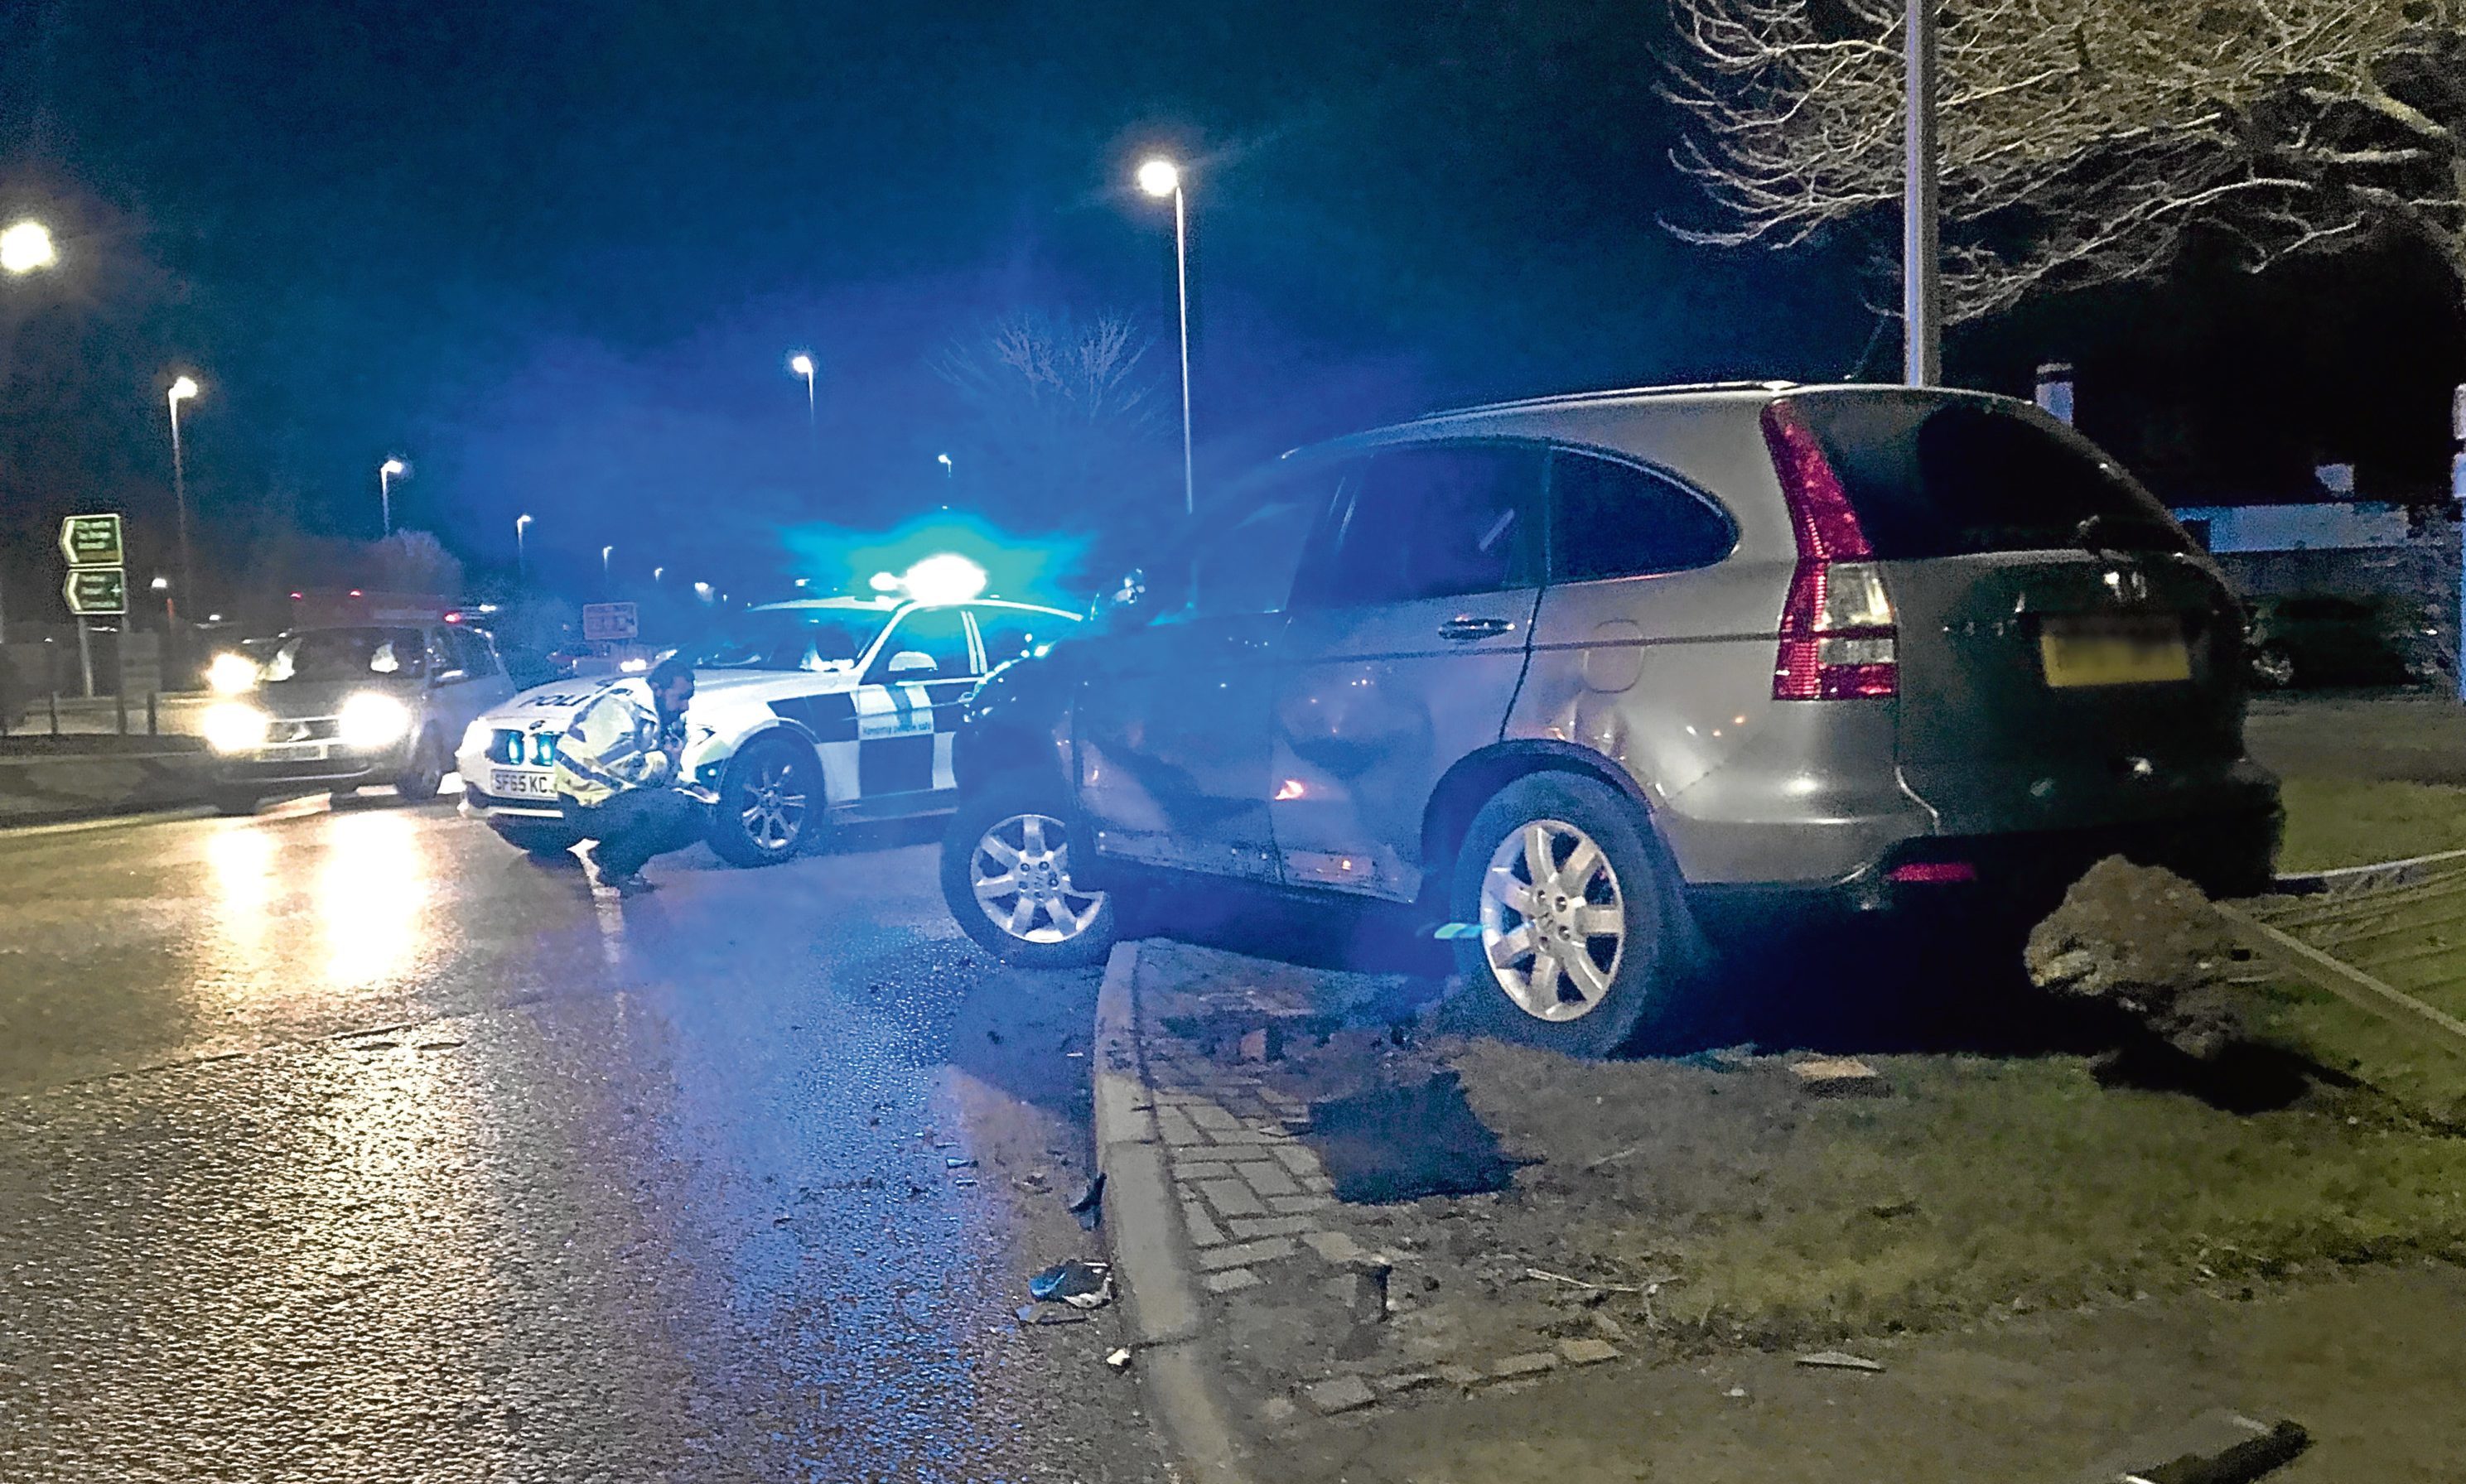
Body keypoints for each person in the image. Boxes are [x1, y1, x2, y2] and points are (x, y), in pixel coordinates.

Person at [550, 655, 705, 894]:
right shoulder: (618, 706)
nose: (685, 706)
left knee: (700, 816)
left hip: (614, 797)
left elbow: (658, 772)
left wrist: (691, 785)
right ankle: (618, 867)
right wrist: (668, 760)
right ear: (658, 689)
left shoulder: (664, 715)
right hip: (585, 804)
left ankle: (611, 857)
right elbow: (627, 767)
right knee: (672, 806)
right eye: (681, 698)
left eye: (689, 698)